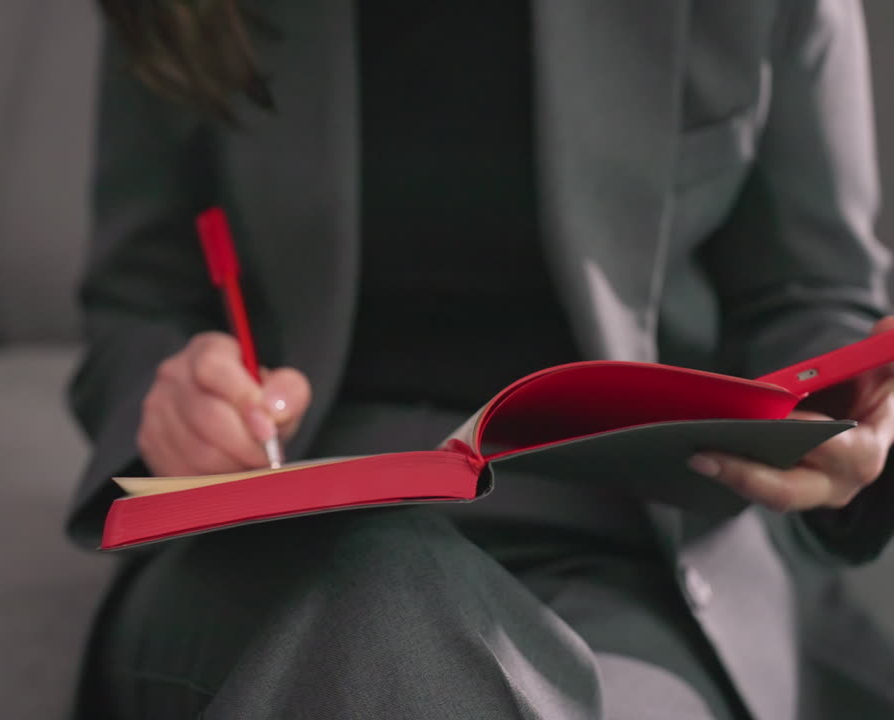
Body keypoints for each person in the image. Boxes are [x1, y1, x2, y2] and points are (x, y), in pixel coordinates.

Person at [66, 0, 894, 717]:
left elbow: (809, 292)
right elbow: (140, 301)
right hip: (279, 555)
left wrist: (835, 408)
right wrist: (175, 402)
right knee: (387, 606)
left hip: (636, 570)